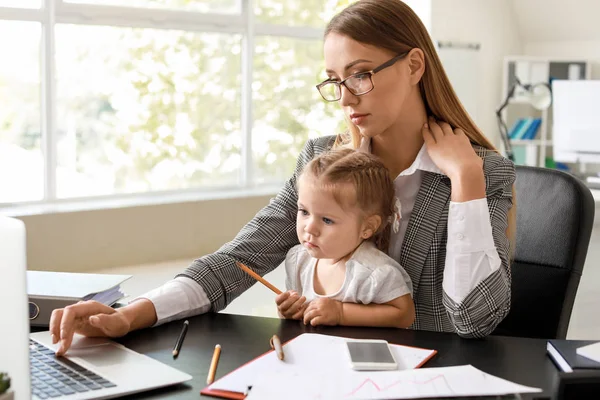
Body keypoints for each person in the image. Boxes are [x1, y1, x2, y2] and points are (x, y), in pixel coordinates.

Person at [50, 0, 516, 355]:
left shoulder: (482, 174)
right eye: (335, 80)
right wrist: (130, 315)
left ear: (415, 65)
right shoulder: (323, 159)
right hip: (328, 369)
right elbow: (240, 258)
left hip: (433, 377)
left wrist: (466, 182)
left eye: (361, 75)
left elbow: (473, 319)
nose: (346, 98)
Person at [279, 148, 414, 328]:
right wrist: (288, 312)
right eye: (304, 211)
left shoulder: (374, 273)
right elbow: (301, 319)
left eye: (327, 220)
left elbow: (404, 314)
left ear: (367, 227)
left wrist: (341, 313)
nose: (309, 227)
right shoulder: (298, 261)